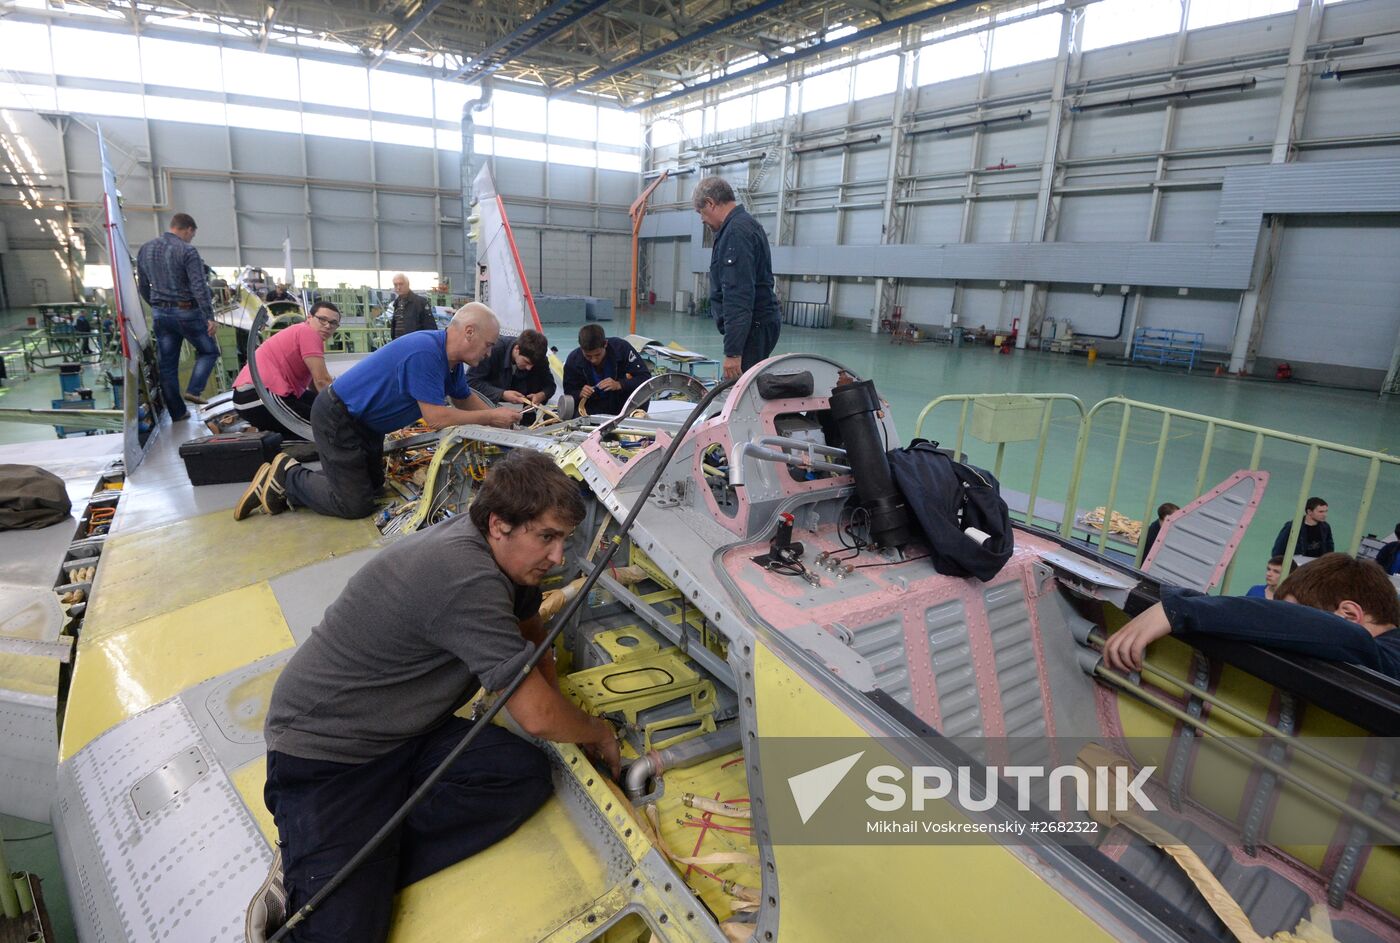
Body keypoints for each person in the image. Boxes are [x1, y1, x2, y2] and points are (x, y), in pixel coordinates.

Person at [254, 449, 621, 942]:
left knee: (522, 778)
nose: (558, 557)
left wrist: (555, 702)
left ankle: (355, 861)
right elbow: (534, 716)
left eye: (564, 540)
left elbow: (532, 633)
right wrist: (597, 732)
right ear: (499, 525)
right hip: (327, 753)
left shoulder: (499, 558)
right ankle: (315, 872)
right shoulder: (464, 577)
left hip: (402, 729)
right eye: (547, 538)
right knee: (342, 935)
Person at [234, 303, 518, 522]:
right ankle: (286, 475)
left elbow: (464, 399)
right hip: (339, 418)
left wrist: (508, 430)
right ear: (469, 332)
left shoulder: (451, 361)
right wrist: (492, 417)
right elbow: (436, 418)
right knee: (354, 505)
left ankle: (286, 488)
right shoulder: (426, 353)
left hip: (367, 427)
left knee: (374, 490)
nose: (489, 353)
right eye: (489, 344)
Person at [1104, 553, 1400, 681]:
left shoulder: (1391, 658)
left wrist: (1183, 609)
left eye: (1293, 613)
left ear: (1349, 614)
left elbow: (1350, 639)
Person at [693, 176, 781, 380]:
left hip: (753, 328)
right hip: (757, 325)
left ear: (710, 203)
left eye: (701, 212)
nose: (702, 219)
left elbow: (738, 294)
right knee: (747, 389)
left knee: (738, 392)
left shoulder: (735, 232)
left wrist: (733, 353)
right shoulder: (744, 225)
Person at [136, 212, 221, 420]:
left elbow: (143, 286)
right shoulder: (188, 250)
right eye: (192, 234)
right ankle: (194, 389)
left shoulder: (145, 249)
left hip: (160, 314)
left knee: (167, 365)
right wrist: (209, 316)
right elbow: (198, 286)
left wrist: (157, 305)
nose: (191, 238)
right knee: (209, 351)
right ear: (188, 229)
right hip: (186, 312)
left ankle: (177, 413)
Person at [231, 301, 339, 440]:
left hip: (251, 397)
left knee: (318, 408)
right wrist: (344, 408)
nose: (327, 326)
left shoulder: (301, 331)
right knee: (325, 432)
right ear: (309, 317)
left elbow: (314, 384)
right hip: (259, 395)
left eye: (333, 323)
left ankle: (269, 435)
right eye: (322, 319)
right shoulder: (308, 333)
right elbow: (322, 380)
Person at [467, 328, 556, 422]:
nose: (529, 368)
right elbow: (471, 382)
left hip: (525, 418)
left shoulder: (540, 360)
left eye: (533, 365)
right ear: (517, 349)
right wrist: (502, 394)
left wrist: (541, 395)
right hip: (488, 412)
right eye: (526, 362)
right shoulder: (493, 350)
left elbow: (550, 386)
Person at [562, 323, 650, 416]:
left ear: (605, 344)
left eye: (597, 355)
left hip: (622, 405)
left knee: (642, 396)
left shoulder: (621, 348)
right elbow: (568, 393)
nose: (593, 360)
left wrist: (620, 384)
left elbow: (645, 378)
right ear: (581, 348)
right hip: (592, 408)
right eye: (588, 356)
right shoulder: (573, 360)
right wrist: (580, 393)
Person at [388, 273, 435, 339]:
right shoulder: (396, 303)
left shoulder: (421, 302)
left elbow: (430, 327)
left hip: (415, 344)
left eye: (401, 284)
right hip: (398, 344)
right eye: (395, 285)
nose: (398, 287)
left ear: (408, 284)